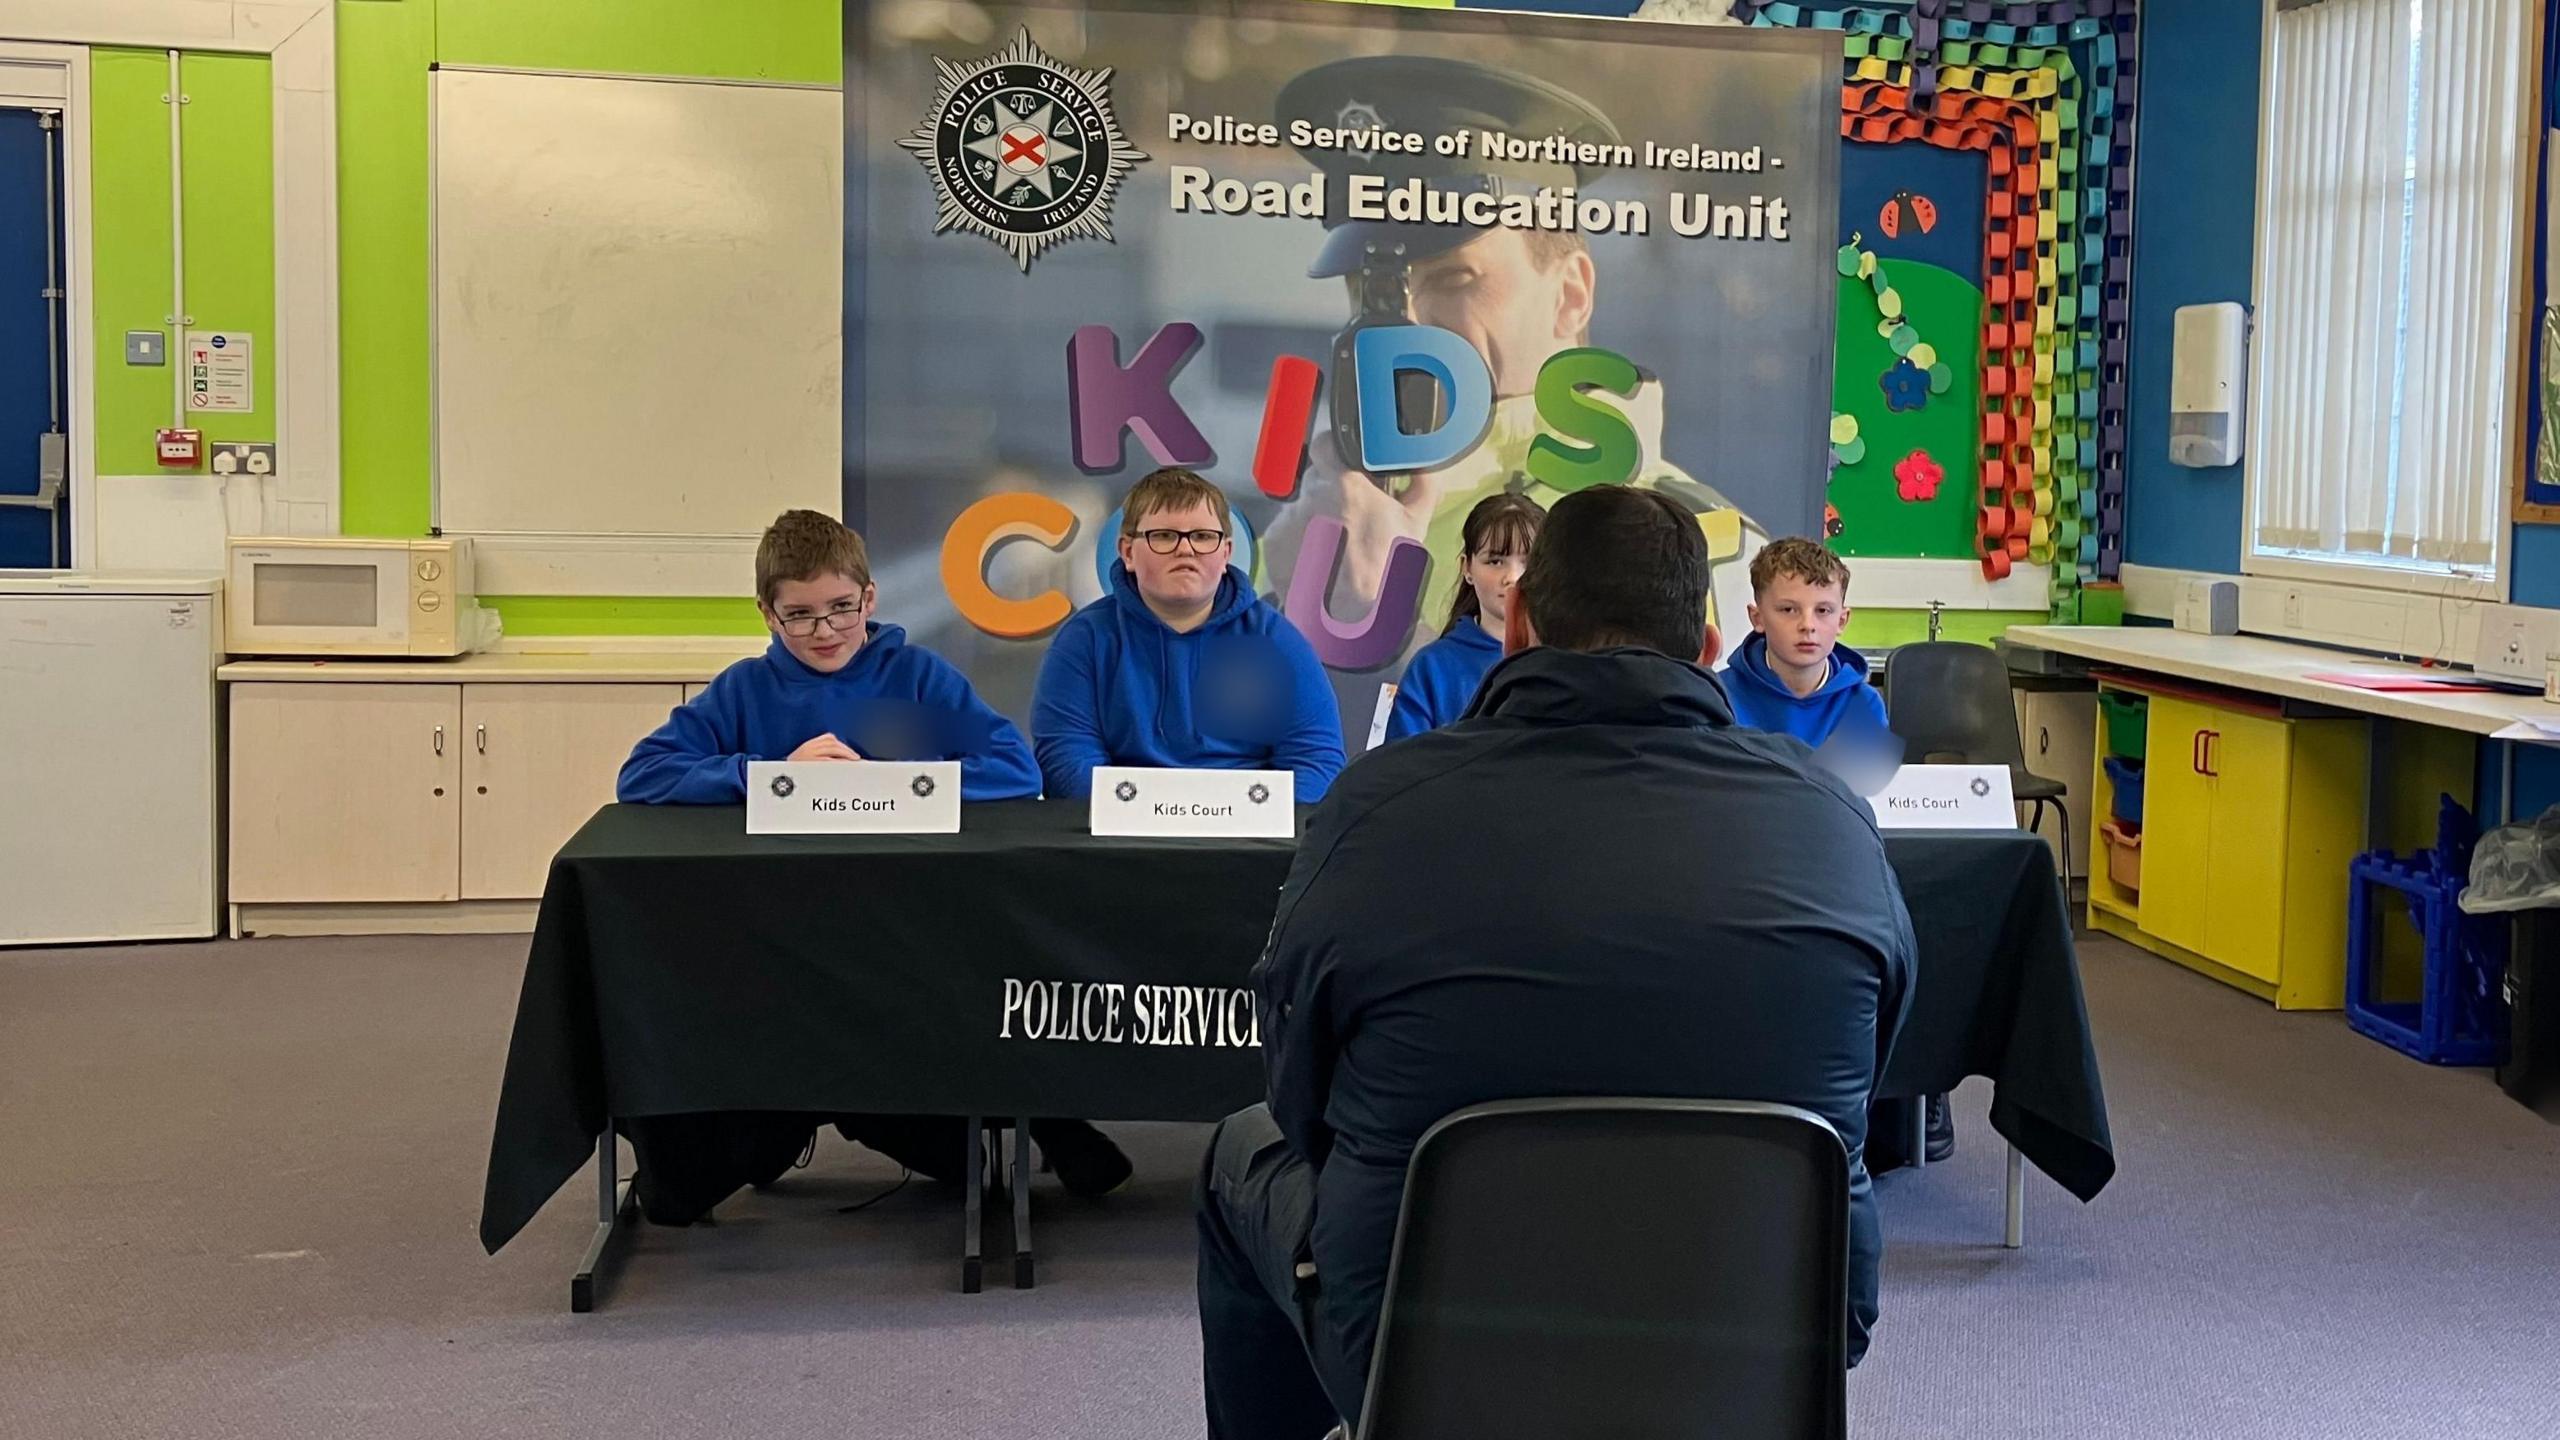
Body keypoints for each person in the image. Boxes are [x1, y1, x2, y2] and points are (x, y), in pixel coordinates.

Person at [1195, 487, 1915, 1440]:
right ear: (1709, 644)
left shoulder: (1379, 810)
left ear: (1519, 623)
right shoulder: (1833, 822)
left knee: (1241, 1151)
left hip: (1418, 1345)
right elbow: (1872, 1072)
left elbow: (1300, 1091)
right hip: (1778, 1326)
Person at [614, 509, 1128, 1220]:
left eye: (840, 610)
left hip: (905, 947)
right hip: (778, 948)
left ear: (870, 599)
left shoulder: (916, 675)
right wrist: (771, 775)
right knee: (676, 1197)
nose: (824, 631)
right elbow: (643, 775)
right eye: (799, 616)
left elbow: (1011, 768)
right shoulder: (744, 690)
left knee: (962, 1160)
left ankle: (1034, 1120)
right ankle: (801, 1113)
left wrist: (892, 783)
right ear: (767, 614)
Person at [1254, 55, 1771, 690]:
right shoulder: (1318, 521)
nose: (1408, 322)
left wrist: (1379, 627)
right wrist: (1274, 608)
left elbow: (1636, 764)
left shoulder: (1694, 542)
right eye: (1377, 290)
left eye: (1453, 278)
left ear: (1571, 294)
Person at [1032, 467, 1346, 801]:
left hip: (1251, 844)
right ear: (1127, 552)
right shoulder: (1085, 640)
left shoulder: (1277, 641)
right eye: (1164, 536)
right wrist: (1147, 818)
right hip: (1119, 841)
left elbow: (1317, 761)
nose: (1186, 550)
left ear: (1225, 553)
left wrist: (1240, 822)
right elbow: (1065, 758)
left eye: (1202, 536)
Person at [1381, 493, 1544, 742]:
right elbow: (1402, 768)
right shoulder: (1432, 667)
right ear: (1467, 568)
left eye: (1528, 561)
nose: (1512, 577)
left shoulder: (1566, 661)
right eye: (1495, 561)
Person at [1720, 536, 1892, 747]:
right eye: (1788, 610)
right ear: (1758, 618)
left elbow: (1863, 780)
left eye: (1823, 611)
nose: (1807, 625)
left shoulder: (1864, 705)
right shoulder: (1718, 698)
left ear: (1841, 621)